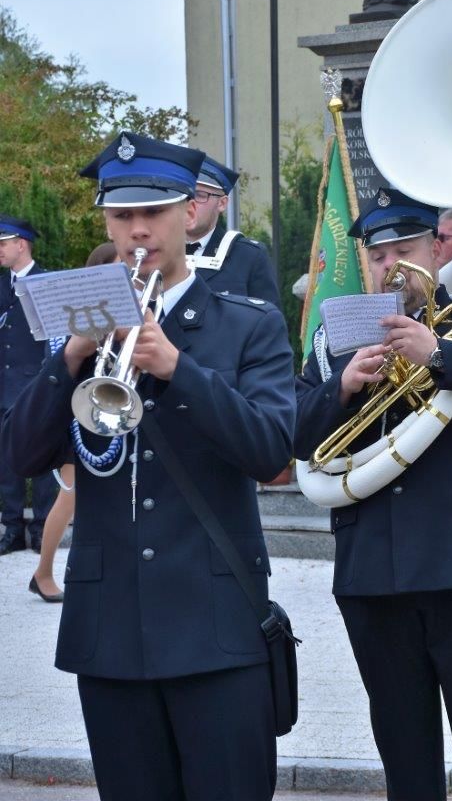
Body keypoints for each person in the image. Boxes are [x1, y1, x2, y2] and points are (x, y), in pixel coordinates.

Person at [1, 131, 296, 801]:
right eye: (121, 216)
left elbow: (272, 451)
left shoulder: (246, 326)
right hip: (109, 633)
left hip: (217, 629)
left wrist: (178, 370)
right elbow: (18, 456)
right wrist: (70, 358)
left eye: (153, 213)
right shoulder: (82, 328)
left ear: (188, 213)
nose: (137, 231)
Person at [294, 187, 452, 801]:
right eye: (378, 255)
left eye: (405, 249)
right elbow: (295, 433)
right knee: (404, 752)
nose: (391, 265)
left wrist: (440, 355)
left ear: (437, 249)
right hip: (371, 569)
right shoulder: (337, 336)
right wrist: (343, 391)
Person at [29, 242, 119, 603]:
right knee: (70, 497)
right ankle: (43, 572)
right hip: (82, 415)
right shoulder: (85, 314)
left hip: (107, 415)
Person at [0, 215, 57, 555]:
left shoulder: (47, 283)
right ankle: (12, 528)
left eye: (3, 244)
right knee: (6, 462)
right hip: (3, 387)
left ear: (21, 244)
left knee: (44, 462)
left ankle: (41, 528)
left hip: (36, 387)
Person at [185, 154, 280, 306]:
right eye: (184, 194)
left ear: (222, 203)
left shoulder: (248, 256)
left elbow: (269, 324)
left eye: (199, 195)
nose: (190, 204)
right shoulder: (156, 252)